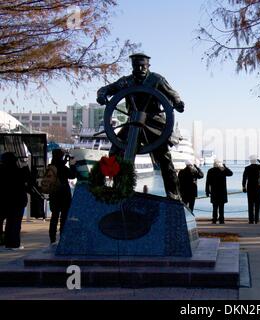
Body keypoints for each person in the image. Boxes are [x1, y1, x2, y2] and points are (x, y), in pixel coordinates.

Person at [97, 53, 185, 200]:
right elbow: (105, 89)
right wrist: (101, 95)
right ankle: (120, 188)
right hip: (133, 123)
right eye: (136, 66)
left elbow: (172, 93)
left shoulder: (156, 80)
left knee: (164, 159)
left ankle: (173, 193)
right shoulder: (126, 82)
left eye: (142, 66)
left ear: (148, 66)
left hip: (154, 124)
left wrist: (177, 102)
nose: (139, 68)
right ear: (132, 66)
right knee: (116, 151)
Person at [0, 152, 31, 250]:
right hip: (18, 201)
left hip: (3, 201)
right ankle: (14, 244)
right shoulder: (20, 171)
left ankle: (5, 242)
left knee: (7, 223)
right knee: (15, 223)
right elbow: (29, 179)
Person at [48, 149, 77, 244]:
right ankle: (62, 236)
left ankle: (52, 239)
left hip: (53, 194)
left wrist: (65, 161)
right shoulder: (64, 168)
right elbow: (72, 176)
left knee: (54, 217)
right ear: (61, 156)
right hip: (64, 195)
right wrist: (72, 165)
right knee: (64, 217)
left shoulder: (50, 167)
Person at [242, 155, 260, 224]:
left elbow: (244, 178)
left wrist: (244, 187)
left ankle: (251, 220)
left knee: (250, 204)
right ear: (256, 160)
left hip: (250, 187)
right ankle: (257, 220)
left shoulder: (247, 168)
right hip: (258, 187)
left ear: (250, 160)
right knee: (258, 204)